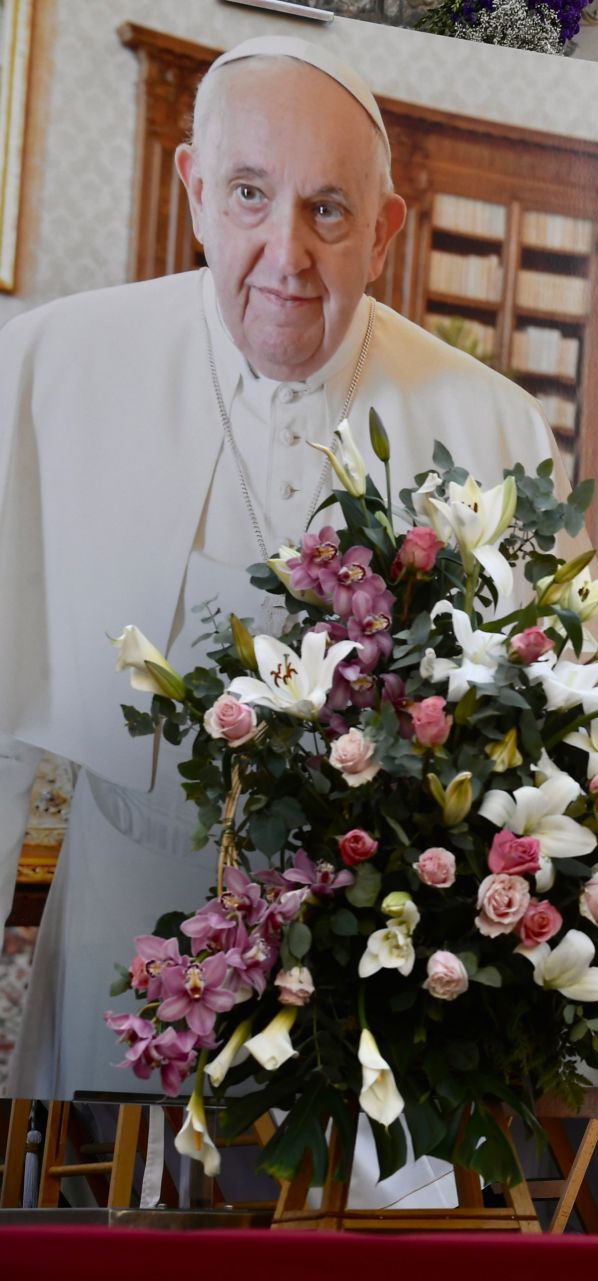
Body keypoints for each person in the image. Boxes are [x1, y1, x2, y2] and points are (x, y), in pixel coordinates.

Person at [0, 37, 555, 1157]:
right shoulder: (51, 368)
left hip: (366, 965)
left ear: (385, 230)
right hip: (122, 912)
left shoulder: (489, 424)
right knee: (98, 1216)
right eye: (250, 195)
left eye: (329, 210)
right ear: (195, 190)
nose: (286, 255)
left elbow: (532, 760)